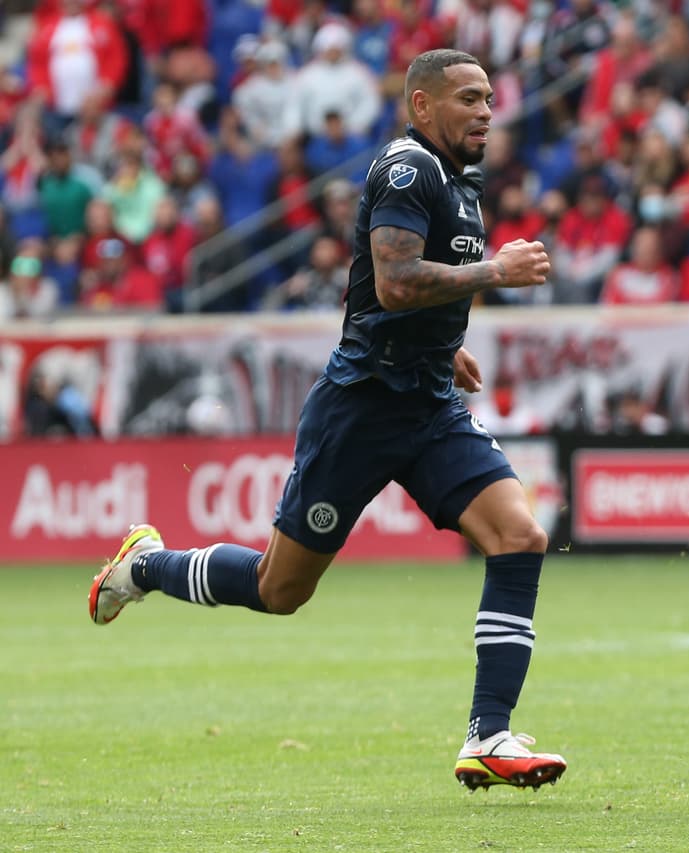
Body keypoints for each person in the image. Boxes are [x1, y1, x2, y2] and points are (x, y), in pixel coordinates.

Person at [88, 49, 567, 792]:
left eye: (488, 99)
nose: (485, 111)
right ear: (422, 106)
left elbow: (379, 295)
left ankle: (489, 733)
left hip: (429, 402)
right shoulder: (405, 169)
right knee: (282, 589)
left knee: (520, 534)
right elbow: (395, 279)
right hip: (362, 407)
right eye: (468, 98)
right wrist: (490, 274)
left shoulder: (460, 187)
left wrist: (450, 343)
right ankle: (144, 565)